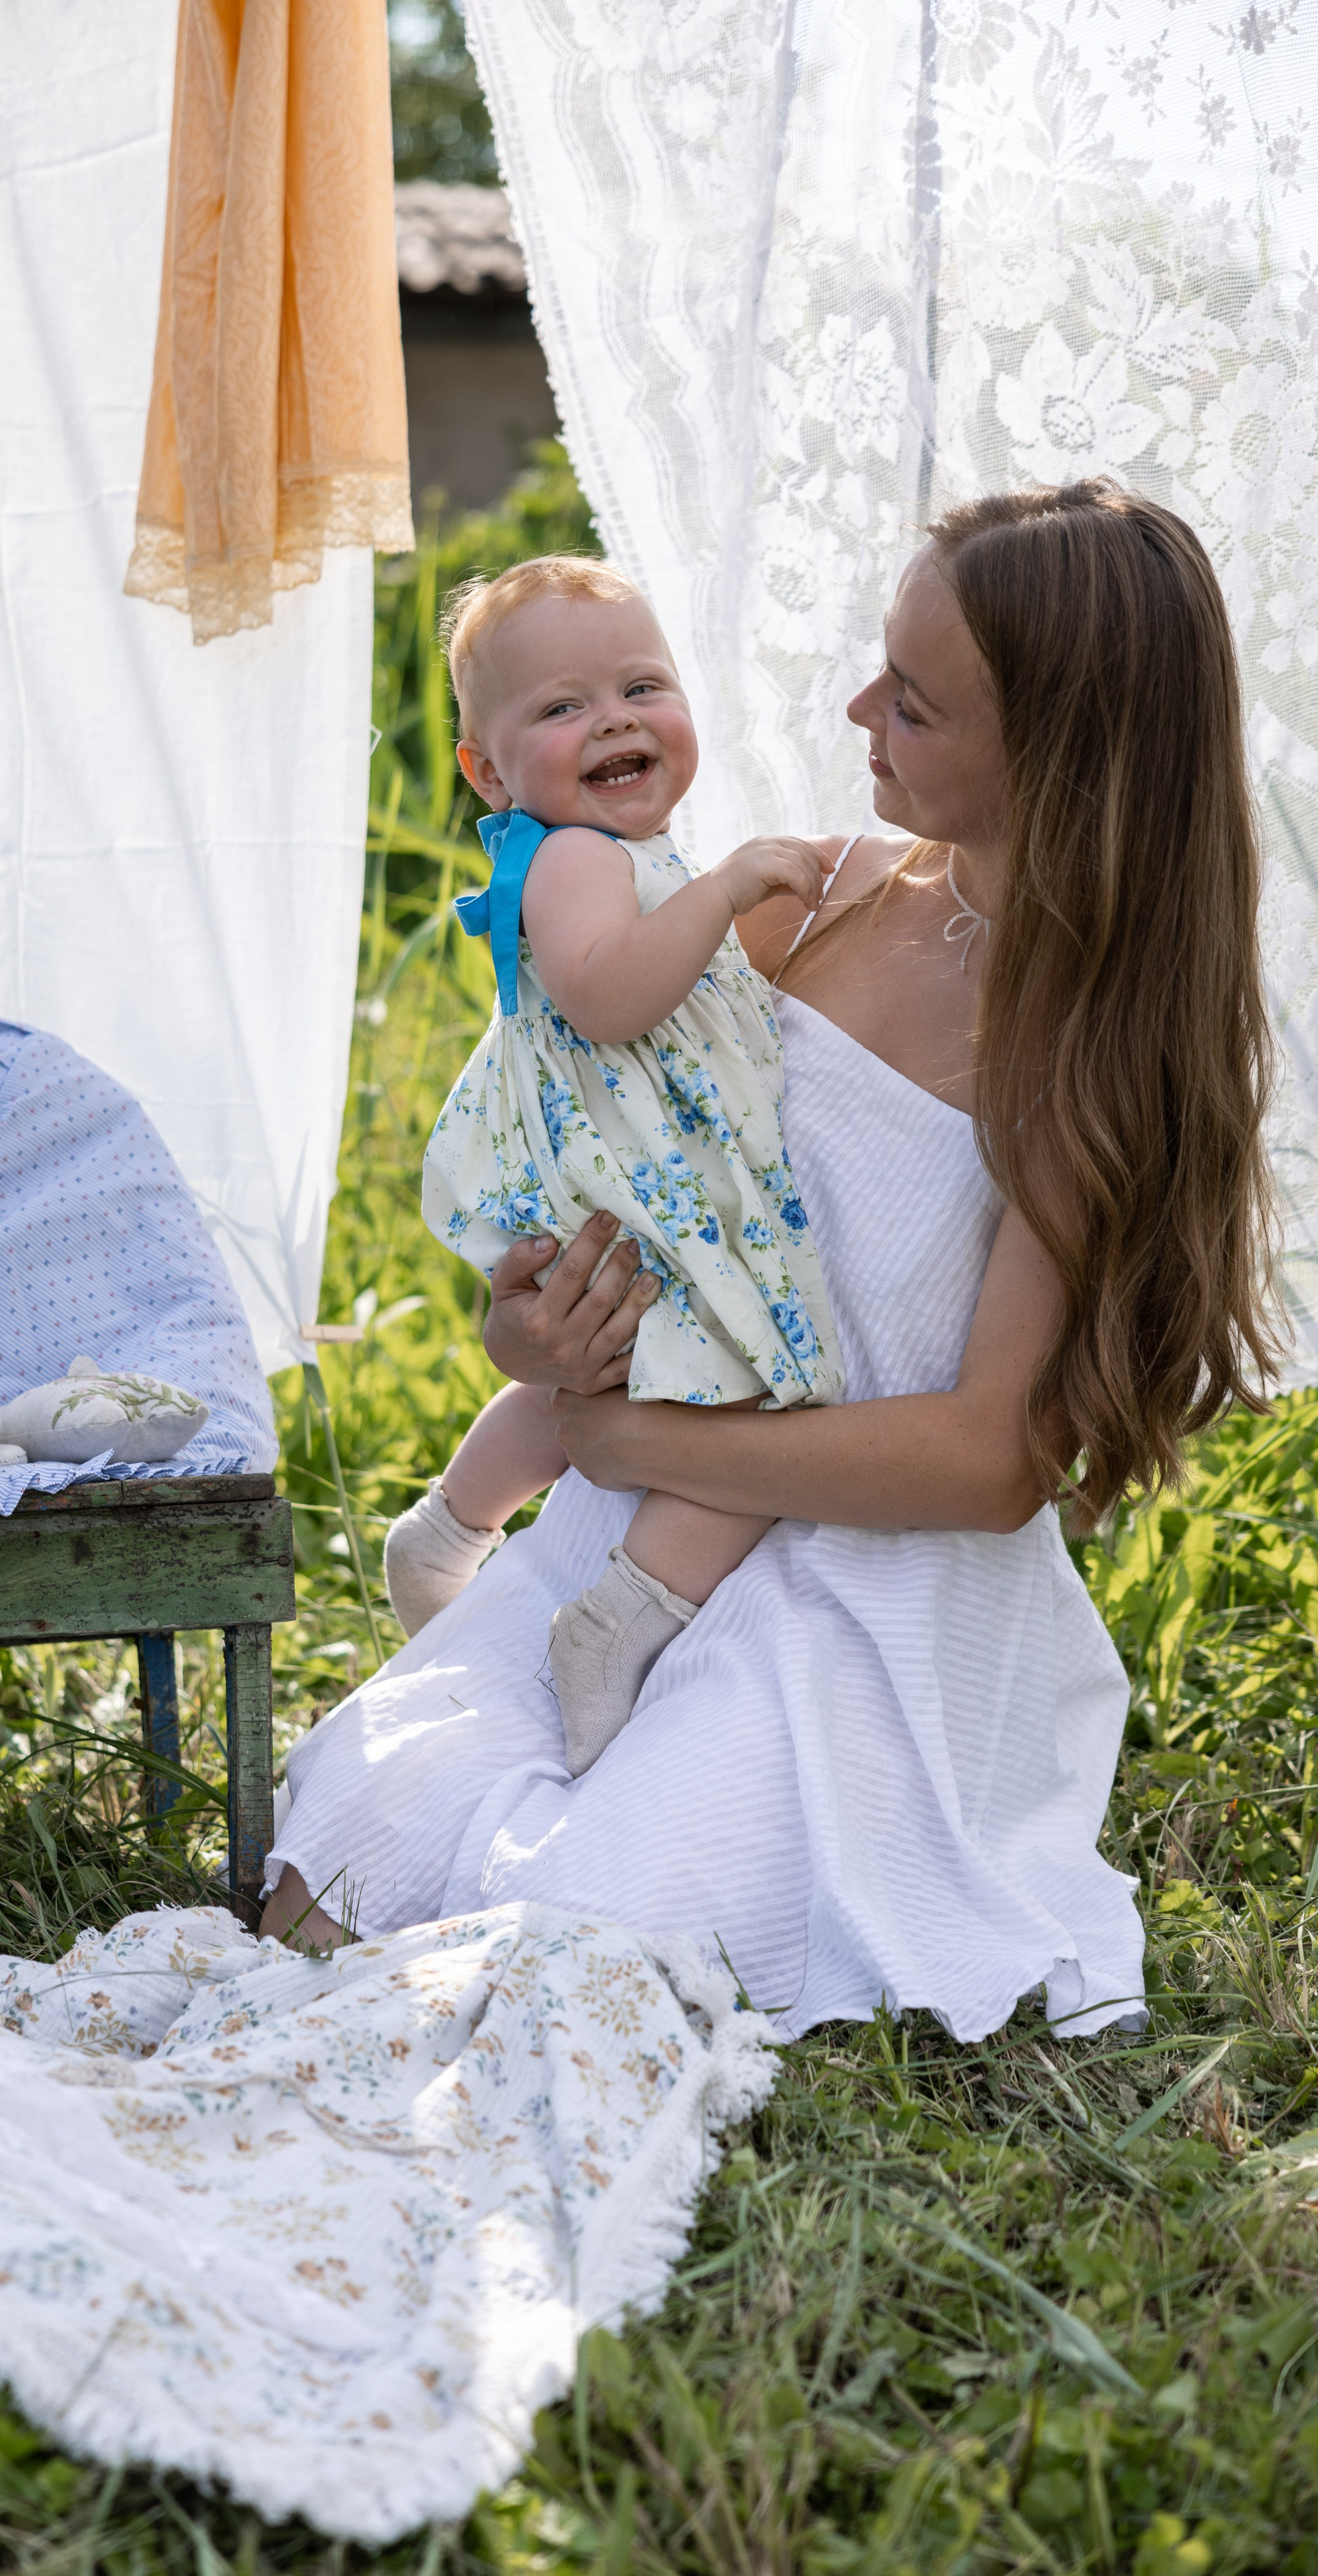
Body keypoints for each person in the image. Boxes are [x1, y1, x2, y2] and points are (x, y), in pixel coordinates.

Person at [262, 481, 1280, 2044]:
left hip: (861, 1588)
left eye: (915, 701)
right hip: (629, 1529)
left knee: (555, 1964)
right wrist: (535, 1337)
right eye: (880, 664)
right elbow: (619, 1158)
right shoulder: (827, 896)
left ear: (1053, 749)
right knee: (334, 1880)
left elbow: (990, 1457)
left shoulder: (1085, 1048)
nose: (856, 706)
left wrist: (632, 1438)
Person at [385, 556, 843, 1775]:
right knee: (762, 1393)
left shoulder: (614, 856)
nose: (617, 720)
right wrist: (731, 890)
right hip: (640, 1178)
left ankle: (448, 1528)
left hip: (646, 1171)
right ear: (487, 770)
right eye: (562, 707)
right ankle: (622, 1616)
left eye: (643, 685)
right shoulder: (577, 858)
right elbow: (607, 997)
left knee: (622, 1372)